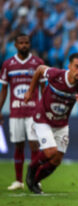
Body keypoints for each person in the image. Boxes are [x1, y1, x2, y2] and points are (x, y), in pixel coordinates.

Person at [24, 53, 78, 194]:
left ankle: (35, 181)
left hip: (61, 123)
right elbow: (39, 69)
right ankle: (31, 169)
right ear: (69, 66)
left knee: (56, 160)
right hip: (43, 118)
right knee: (50, 152)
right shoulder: (56, 74)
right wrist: (31, 91)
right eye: (77, 66)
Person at [0, 33, 45, 190]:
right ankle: (18, 181)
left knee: (34, 146)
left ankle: (34, 179)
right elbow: (4, 89)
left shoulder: (38, 63)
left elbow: (44, 88)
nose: (24, 45)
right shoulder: (8, 64)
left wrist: (44, 108)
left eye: (26, 42)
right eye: (21, 43)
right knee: (18, 146)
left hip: (34, 113)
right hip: (16, 112)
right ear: (15, 45)